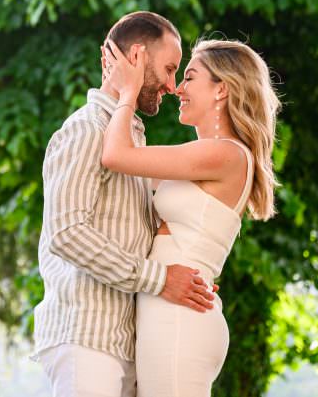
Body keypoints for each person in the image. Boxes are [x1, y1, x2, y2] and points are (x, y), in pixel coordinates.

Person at [34, 11, 217, 397]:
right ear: (135, 58)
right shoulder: (86, 130)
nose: (172, 86)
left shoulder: (129, 140)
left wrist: (190, 273)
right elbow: (66, 234)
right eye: (168, 70)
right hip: (85, 336)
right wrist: (162, 279)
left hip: (123, 340)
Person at [100, 37, 280, 397]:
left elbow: (116, 155)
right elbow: (128, 174)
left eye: (190, 78)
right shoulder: (206, 157)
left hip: (178, 319)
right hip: (172, 311)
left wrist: (127, 92)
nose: (177, 88)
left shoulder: (222, 153)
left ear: (221, 90)